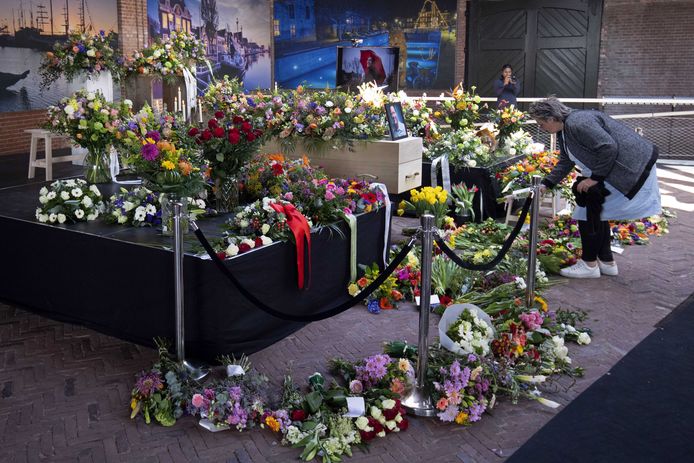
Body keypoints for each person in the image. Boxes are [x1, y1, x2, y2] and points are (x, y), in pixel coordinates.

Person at [529, 96, 661, 278]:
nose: (540, 127)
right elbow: (567, 160)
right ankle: (607, 262)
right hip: (624, 168)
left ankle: (589, 265)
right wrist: (547, 183)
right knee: (598, 212)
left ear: (551, 118)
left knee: (586, 212)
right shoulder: (566, 128)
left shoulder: (577, 122)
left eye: (540, 122)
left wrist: (594, 179)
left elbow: (608, 147)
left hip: (631, 169)